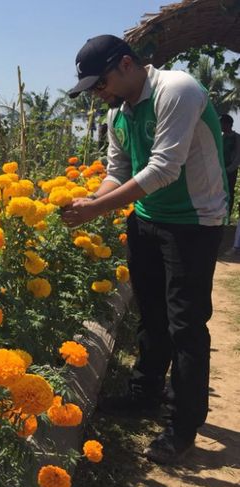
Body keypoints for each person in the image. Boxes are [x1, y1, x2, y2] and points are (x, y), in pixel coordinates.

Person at [63, 35, 228, 465]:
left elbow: (163, 169)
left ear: (126, 65)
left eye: (100, 84)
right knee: (151, 315)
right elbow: (117, 171)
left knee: (185, 325)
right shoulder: (121, 113)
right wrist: (92, 200)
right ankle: (145, 394)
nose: (99, 95)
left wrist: (98, 208)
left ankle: (182, 424)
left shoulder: (178, 90)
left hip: (194, 222)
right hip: (147, 219)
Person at [220, 114, 240, 218]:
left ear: (228, 124)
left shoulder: (236, 138)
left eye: (222, 123)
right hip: (220, 170)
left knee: (229, 192)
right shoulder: (221, 138)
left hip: (230, 170)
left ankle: (228, 215)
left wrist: (229, 169)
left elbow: (238, 156)